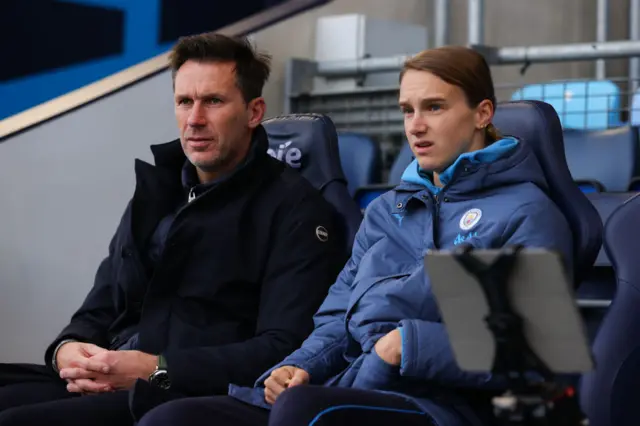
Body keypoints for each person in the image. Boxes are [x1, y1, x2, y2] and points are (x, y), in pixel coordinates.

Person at [136, 45, 575, 426]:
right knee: (174, 418)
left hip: (436, 405)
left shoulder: (522, 212)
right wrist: (297, 366)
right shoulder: (387, 211)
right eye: (407, 110)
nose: (416, 126)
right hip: (343, 387)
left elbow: (526, 350)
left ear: (482, 113)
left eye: (435, 107)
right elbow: (335, 319)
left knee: (305, 412)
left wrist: (407, 346)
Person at [0, 33, 348, 426]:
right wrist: (67, 350)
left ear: (254, 112)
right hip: (111, 374)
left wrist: (156, 368)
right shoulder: (159, 189)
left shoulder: (296, 210)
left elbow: (281, 347)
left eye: (213, 101)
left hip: (182, 393)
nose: (195, 119)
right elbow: (100, 305)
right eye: (185, 101)